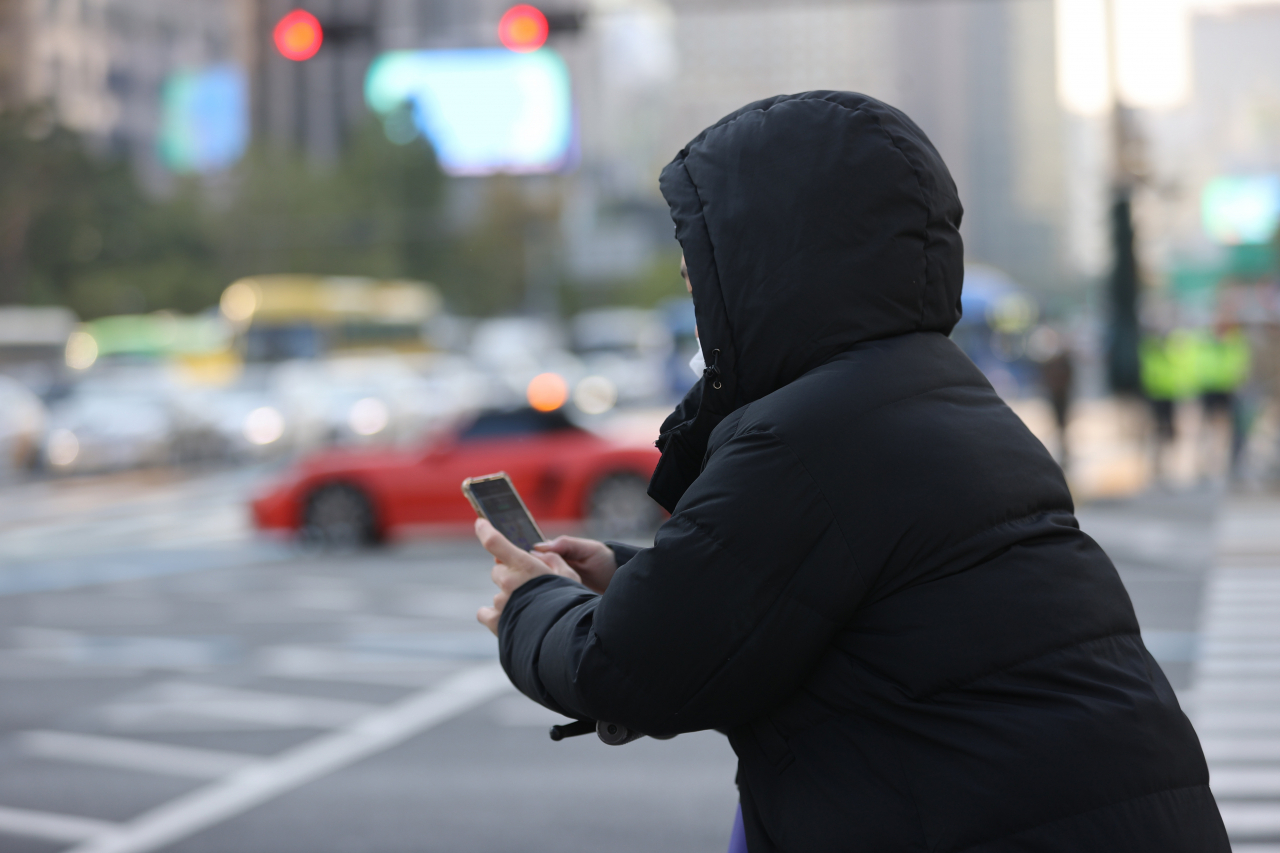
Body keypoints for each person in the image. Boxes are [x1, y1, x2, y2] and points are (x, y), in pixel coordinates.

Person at [474, 92, 1227, 852]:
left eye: (702, 268)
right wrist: (627, 573)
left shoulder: (808, 436)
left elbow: (631, 666)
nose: (696, 290)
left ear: (769, 263)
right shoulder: (942, 393)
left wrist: (528, 605)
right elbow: (820, 589)